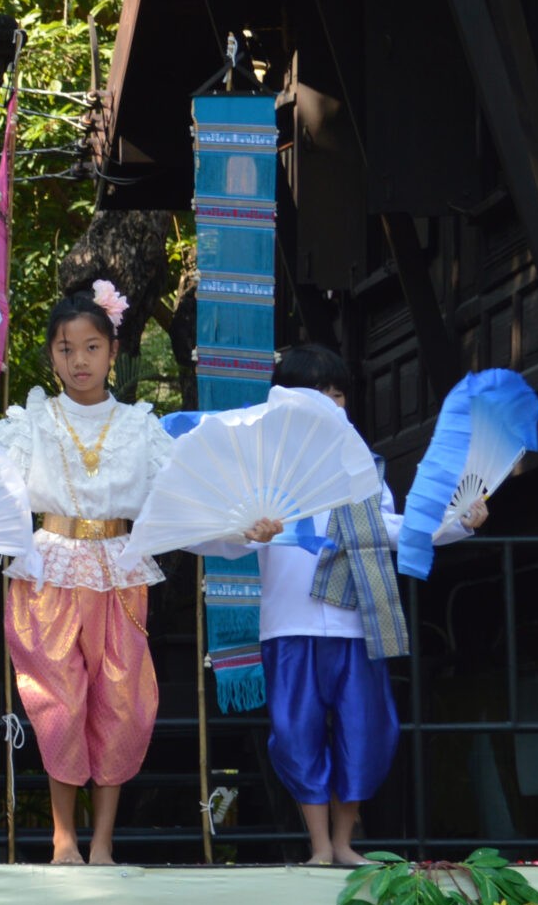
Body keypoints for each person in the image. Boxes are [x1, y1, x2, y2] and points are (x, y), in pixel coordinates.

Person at [199, 344, 484, 865]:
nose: (332, 404)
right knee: (296, 732)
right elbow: (220, 539)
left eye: (337, 394)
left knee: (366, 729)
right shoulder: (264, 469)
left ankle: (346, 841)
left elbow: (394, 530)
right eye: (319, 394)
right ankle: (320, 846)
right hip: (290, 623)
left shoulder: (362, 469)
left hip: (358, 622)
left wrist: (457, 523)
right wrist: (246, 529)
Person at [0, 280, 180, 865]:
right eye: (66, 349)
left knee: (122, 701)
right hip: (48, 568)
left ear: (113, 352)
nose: (79, 361)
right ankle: (63, 836)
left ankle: (102, 842)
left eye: (92, 347)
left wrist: (241, 525)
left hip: (119, 571)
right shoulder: (31, 423)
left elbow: (180, 497)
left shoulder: (142, 427)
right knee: (59, 702)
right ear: (52, 356)